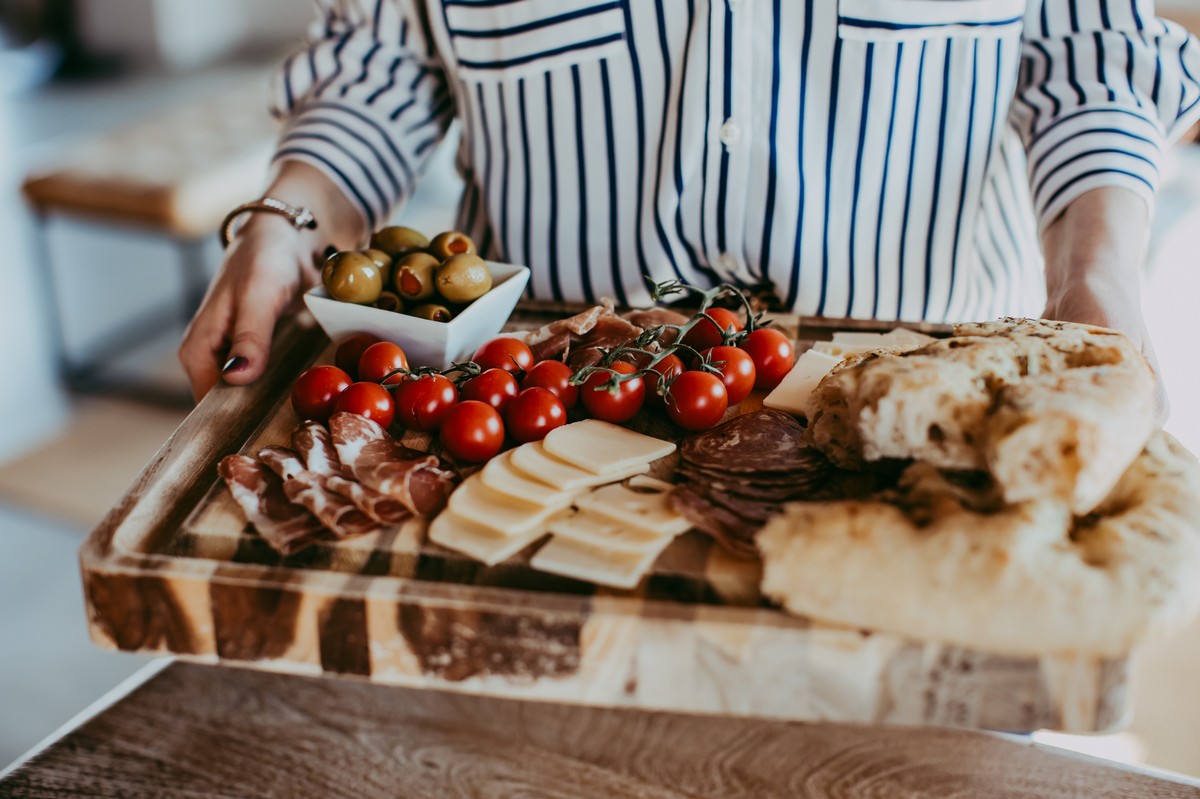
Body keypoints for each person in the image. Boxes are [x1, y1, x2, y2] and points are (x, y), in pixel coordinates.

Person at [181, 0, 1200, 413]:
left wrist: (1096, 284)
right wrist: (288, 223)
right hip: (543, 404)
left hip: (921, 392)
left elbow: (1089, 56)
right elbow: (383, 62)